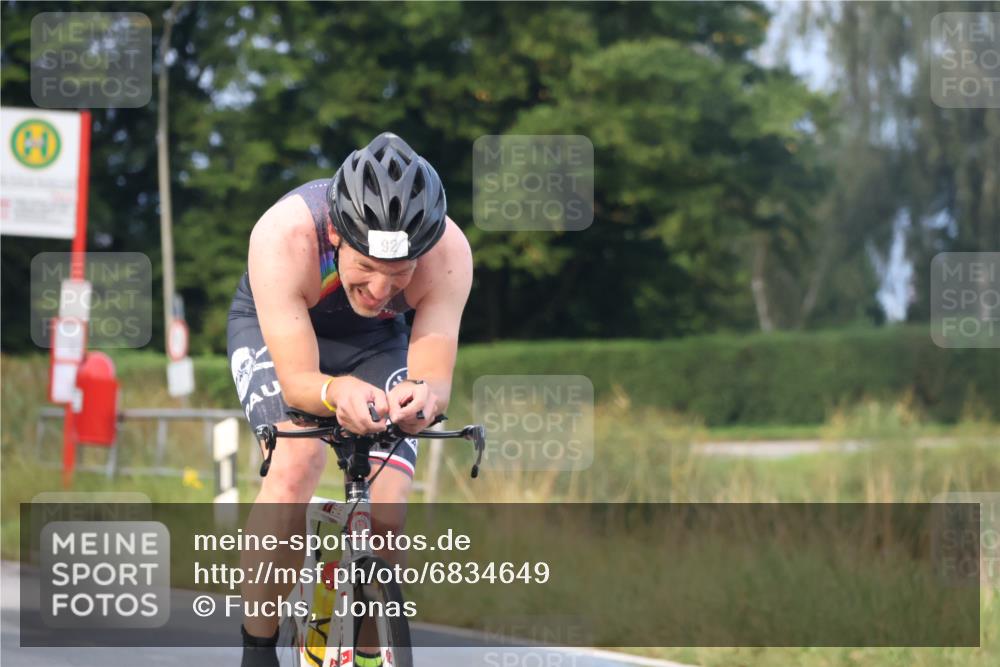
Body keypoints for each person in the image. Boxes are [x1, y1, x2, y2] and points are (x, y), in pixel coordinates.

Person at [226, 132, 473, 666]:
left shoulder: (449, 253)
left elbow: (434, 378)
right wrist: (334, 390)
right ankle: (258, 648)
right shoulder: (285, 234)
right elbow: (298, 382)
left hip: (377, 345)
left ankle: (364, 657)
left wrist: (422, 399)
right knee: (297, 461)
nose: (382, 290)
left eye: (399, 274)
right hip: (285, 334)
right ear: (336, 232)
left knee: (387, 509)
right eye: (366, 268)